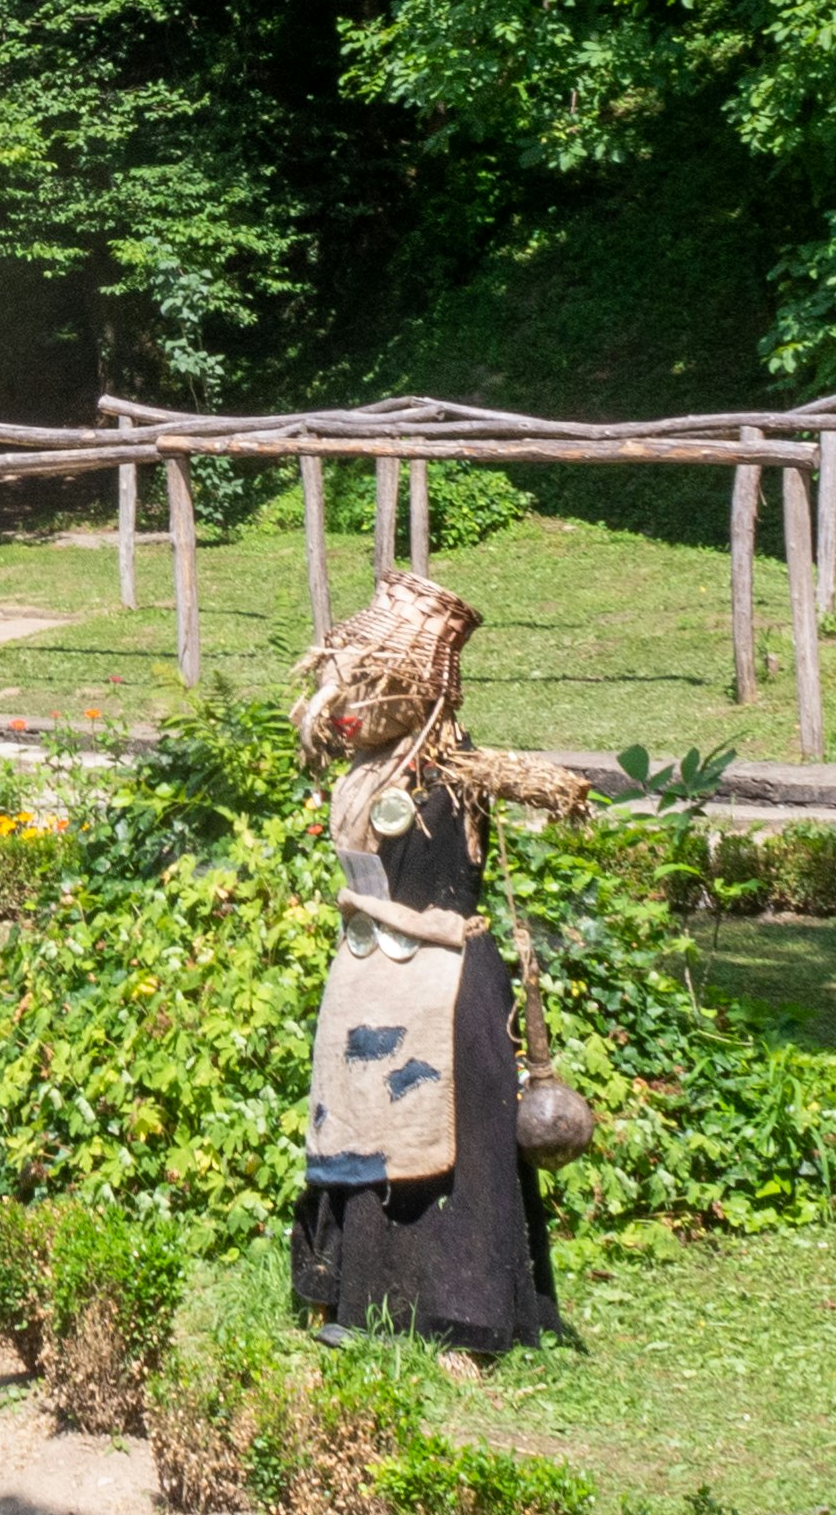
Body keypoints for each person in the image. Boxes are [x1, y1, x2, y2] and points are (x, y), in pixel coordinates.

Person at [287, 576, 595, 1350]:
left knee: (450, 1148)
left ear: (416, 691)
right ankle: (362, 1303)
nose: (349, 700)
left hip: (443, 988)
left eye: (369, 684)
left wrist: (543, 784)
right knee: (365, 1133)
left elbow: (528, 795)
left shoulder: (449, 782)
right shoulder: (366, 775)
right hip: (369, 981)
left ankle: (461, 1318)